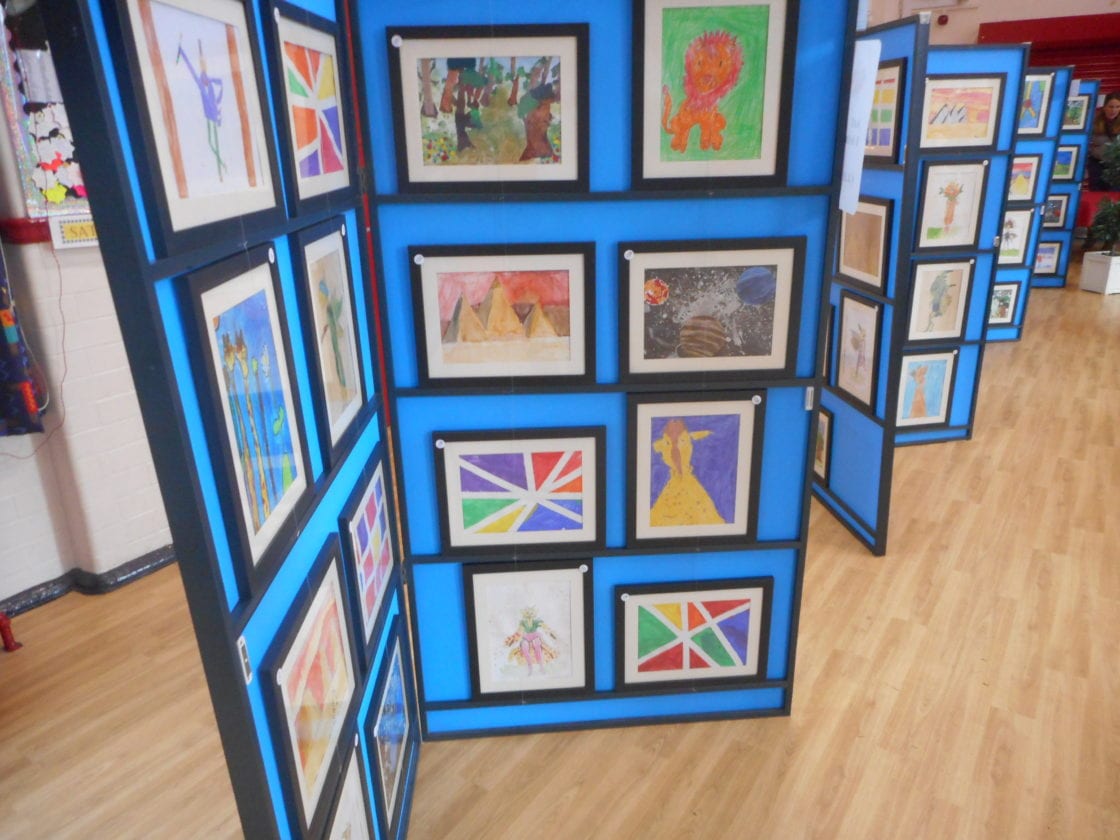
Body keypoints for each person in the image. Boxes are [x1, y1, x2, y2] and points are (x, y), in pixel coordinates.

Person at [1087, 91, 1120, 190]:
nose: (1114, 110)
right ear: (1104, 107)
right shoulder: (1094, 121)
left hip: (1116, 166)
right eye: (1111, 107)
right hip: (1096, 164)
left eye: (1117, 107)